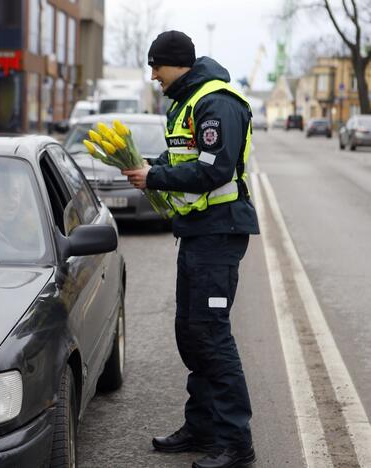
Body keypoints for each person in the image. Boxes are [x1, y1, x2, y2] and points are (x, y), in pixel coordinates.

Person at [122, 31, 259, 468]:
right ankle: (202, 428)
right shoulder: (185, 102)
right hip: (198, 232)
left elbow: (215, 168)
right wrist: (153, 166)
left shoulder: (217, 102)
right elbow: (183, 156)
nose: (153, 75)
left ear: (175, 63)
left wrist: (154, 180)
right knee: (191, 331)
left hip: (220, 233)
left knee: (211, 334)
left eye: (155, 66)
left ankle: (236, 443)